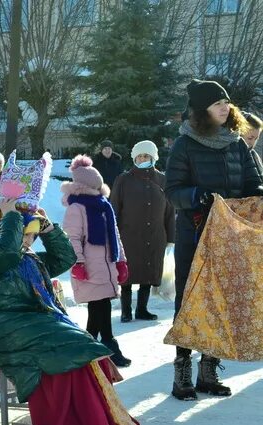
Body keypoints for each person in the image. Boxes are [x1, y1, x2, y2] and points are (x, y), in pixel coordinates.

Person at [0, 198, 157, 425]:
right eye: (24, 235)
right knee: (67, 347)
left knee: (83, 344)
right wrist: (10, 216)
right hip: (4, 324)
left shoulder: (30, 259)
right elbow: (6, 253)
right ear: (4, 228)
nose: (27, 242)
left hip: (34, 322)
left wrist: (49, 229)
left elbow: (65, 257)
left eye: (31, 236)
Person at [164, 79, 263, 400]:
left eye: (227, 103)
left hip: (229, 237)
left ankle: (209, 371)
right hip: (195, 233)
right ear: (202, 111)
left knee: (222, 298)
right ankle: (182, 373)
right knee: (191, 299)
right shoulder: (185, 145)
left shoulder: (236, 144)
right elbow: (172, 192)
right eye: (218, 104)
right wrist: (198, 195)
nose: (226, 108)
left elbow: (252, 183)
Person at [62, 155, 131, 368]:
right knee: (98, 306)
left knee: (101, 306)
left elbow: (115, 235)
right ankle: (105, 347)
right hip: (90, 267)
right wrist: (78, 264)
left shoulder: (103, 205)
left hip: (107, 264)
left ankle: (91, 350)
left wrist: (121, 260)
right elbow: (72, 238)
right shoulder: (77, 208)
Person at [109, 140, 175, 323]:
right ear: (134, 158)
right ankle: (125, 311)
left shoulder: (163, 180)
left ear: (153, 158)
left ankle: (142, 310)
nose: (143, 159)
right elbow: (114, 208)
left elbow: (170, 211)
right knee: (127, 275)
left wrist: (171, 237)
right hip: (128, 236)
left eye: (146, 156)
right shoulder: (123, 179)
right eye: (140, 156)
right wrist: (112, 234)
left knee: (148, 273)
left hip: (155, 236)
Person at [241, 111, 263, 176]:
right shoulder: (228, 155)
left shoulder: (254, 156)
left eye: (256, 139)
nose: (253, 143)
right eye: (250, 138)